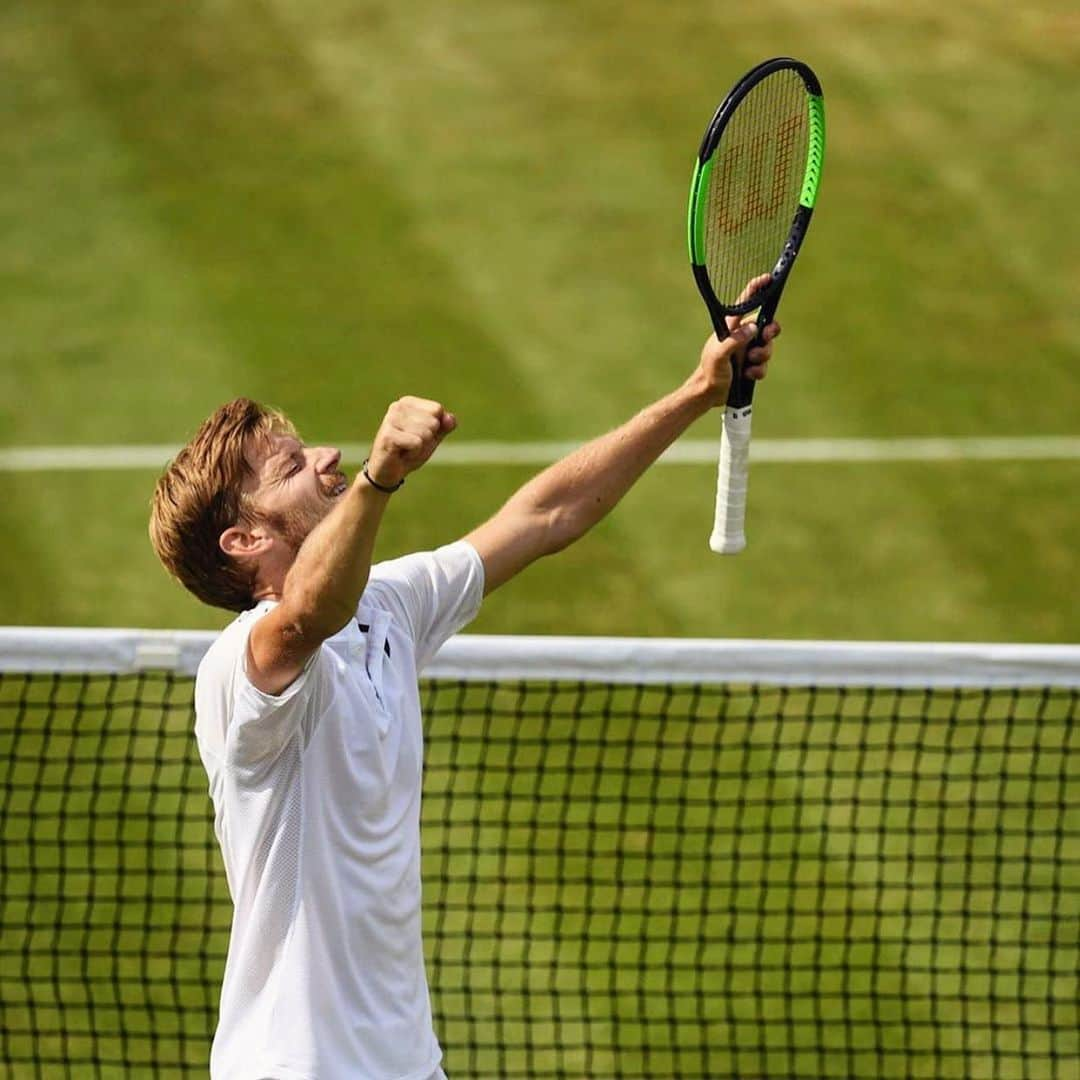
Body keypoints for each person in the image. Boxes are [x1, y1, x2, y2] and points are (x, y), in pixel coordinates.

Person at [149, 310, 779, 1080]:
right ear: (246, 542)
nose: (326, 457)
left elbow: (546, 515)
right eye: (289, 466)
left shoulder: (390, 605)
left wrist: (696, 392)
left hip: (406, 1064)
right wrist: (381, 477)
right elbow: (307, 613)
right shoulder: (239, 672)